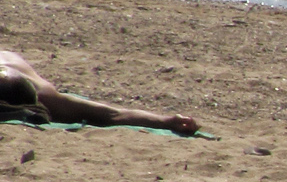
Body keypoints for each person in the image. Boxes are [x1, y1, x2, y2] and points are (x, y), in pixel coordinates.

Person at [0, 50, 198, 134]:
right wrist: (165, 120)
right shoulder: (44, 96)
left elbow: (113, 114)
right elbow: (114, 114)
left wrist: (167, 121)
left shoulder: (47, 97)